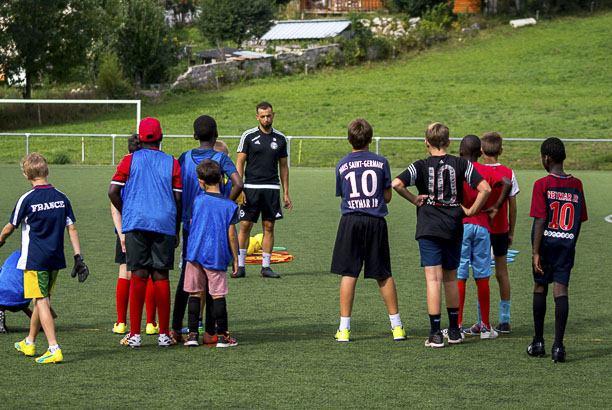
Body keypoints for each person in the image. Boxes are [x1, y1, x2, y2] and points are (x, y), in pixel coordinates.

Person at [392, 123, 490, 348]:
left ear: (426, 143)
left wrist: (414, 198)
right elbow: (485, 188)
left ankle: (436, 334)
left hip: (428, 226)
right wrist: (472, 210)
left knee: (433, 280)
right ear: (448, 142)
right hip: (453, 225)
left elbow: (397, 184)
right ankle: (454, 331)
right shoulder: (461, 163)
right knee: (451, 278)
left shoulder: (420, 165)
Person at [0, 153, 89, 363]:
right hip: (55, 260)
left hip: (34, 260)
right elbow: (72, 227)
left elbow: (10, 227)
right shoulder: (61, 196)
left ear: (25, 175)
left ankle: (53, 348)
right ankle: (30, 342)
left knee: (41, 301)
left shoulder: (26, 199)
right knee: (41, 300)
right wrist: (79, 257)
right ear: (47, 171)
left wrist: (1, 240)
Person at [108, 117, 182, 348]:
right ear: (161, 137)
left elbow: (112, 192)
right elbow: (178, 199)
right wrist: (176, 227)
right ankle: (163, 335)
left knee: (138, 274)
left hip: (136, 223)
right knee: (161, 275)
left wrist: (127, 211)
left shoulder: (128, 160)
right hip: (164, 223)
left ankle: (135, 335)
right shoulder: (172, 162)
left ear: (140, 138)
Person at [331, 118, 406, 342]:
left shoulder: (342, 164)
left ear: (349, 139)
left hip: (351, 221)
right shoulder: (381, 162)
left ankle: (344, 328)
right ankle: (397, 327)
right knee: (383, 274)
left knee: (349, 273)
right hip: (375, 222)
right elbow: (387, 197)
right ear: (371, 140)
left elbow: (343, 195)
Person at [171, 115, 242, 345]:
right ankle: (212, 332)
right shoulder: (220, 158)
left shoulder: (184, 158)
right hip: (216, 225)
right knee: (215, 275)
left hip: (190, 225)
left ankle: (177, 329)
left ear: (194, 135)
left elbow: (177, 189)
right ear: (217, 134)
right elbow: (239, 184)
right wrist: (226, 204)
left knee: (188, 280)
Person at [527, 137, 587, 363]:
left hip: (545, 245)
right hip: (566, 244)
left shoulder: (542, 184)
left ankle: (538, 342)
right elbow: (579, 220)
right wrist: (572, 241)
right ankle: (559, 347)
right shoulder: (577, 184)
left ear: (546, 158)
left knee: (540, 286)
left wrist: (535, 252)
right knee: (561, 291)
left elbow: (541, 219)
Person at [456, 135, 511, 340]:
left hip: (462, 225)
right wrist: (496, 207)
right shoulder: (488, 170)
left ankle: (458, 325)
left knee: (460, 275)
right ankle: (486, 326)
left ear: (460, 152)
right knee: (482, 275)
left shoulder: (458, 168)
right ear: (480, 153)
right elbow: (506, 182)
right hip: (483, 227)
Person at [183, 160, 239, 347]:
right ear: (221, 180)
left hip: (195, 253)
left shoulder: (197, 200)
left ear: (202, 182)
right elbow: (232, 234)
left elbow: (191, 224)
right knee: (218, 295)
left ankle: (192, 336)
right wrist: (236, 259)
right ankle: (222, 336)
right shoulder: (230, 206)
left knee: (195, 293)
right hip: (216, 254)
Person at [235, 101, 292, 278]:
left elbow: (283, 166)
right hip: (251, 188)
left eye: (269, 115)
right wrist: (239, 188)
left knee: (269, 227)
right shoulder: (248, 136)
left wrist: (286, 192)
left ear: (273, 115)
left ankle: (266, 267)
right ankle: (241, 266)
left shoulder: (281, 139)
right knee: (245, 226)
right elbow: (240, 163)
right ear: (257, 117)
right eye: (263, 116)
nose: (266, 119)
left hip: (271, 189)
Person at [111, 134, 158, 335]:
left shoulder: (124, 169)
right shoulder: (152, 170)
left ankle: (121, 323)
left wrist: (122, 231)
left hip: (127, 228)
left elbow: (114, 206)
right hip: (151, 227)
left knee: (125, 272)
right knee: (149, 276)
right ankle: (150, 323)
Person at [480, 132, 520, 334]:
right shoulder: (509, 172)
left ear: (481, 151)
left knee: (481, 274)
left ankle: (482, 319)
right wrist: (511, 230)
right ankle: (505, 319)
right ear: (501, 150)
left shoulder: (475, 171)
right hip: (501, 229)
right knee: (502, 273)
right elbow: (513, 207)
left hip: (480, 229)